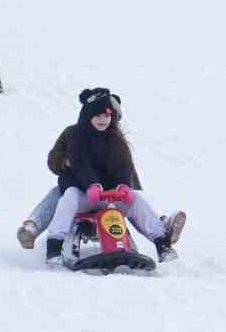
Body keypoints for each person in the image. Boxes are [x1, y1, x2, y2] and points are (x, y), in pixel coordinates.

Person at [39, 89, 186, 265]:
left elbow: (124, 163)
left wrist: (123, 186)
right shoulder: (75, 134)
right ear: (88, 116)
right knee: (68, 198)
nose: (103, 120)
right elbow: (79, 162)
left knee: (136, 201)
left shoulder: (115, 137)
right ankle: (54, 247)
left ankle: (163, 244)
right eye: (98, 116)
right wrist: (91, 185)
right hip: (83, 194)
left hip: (108, 195)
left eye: (107, 116)